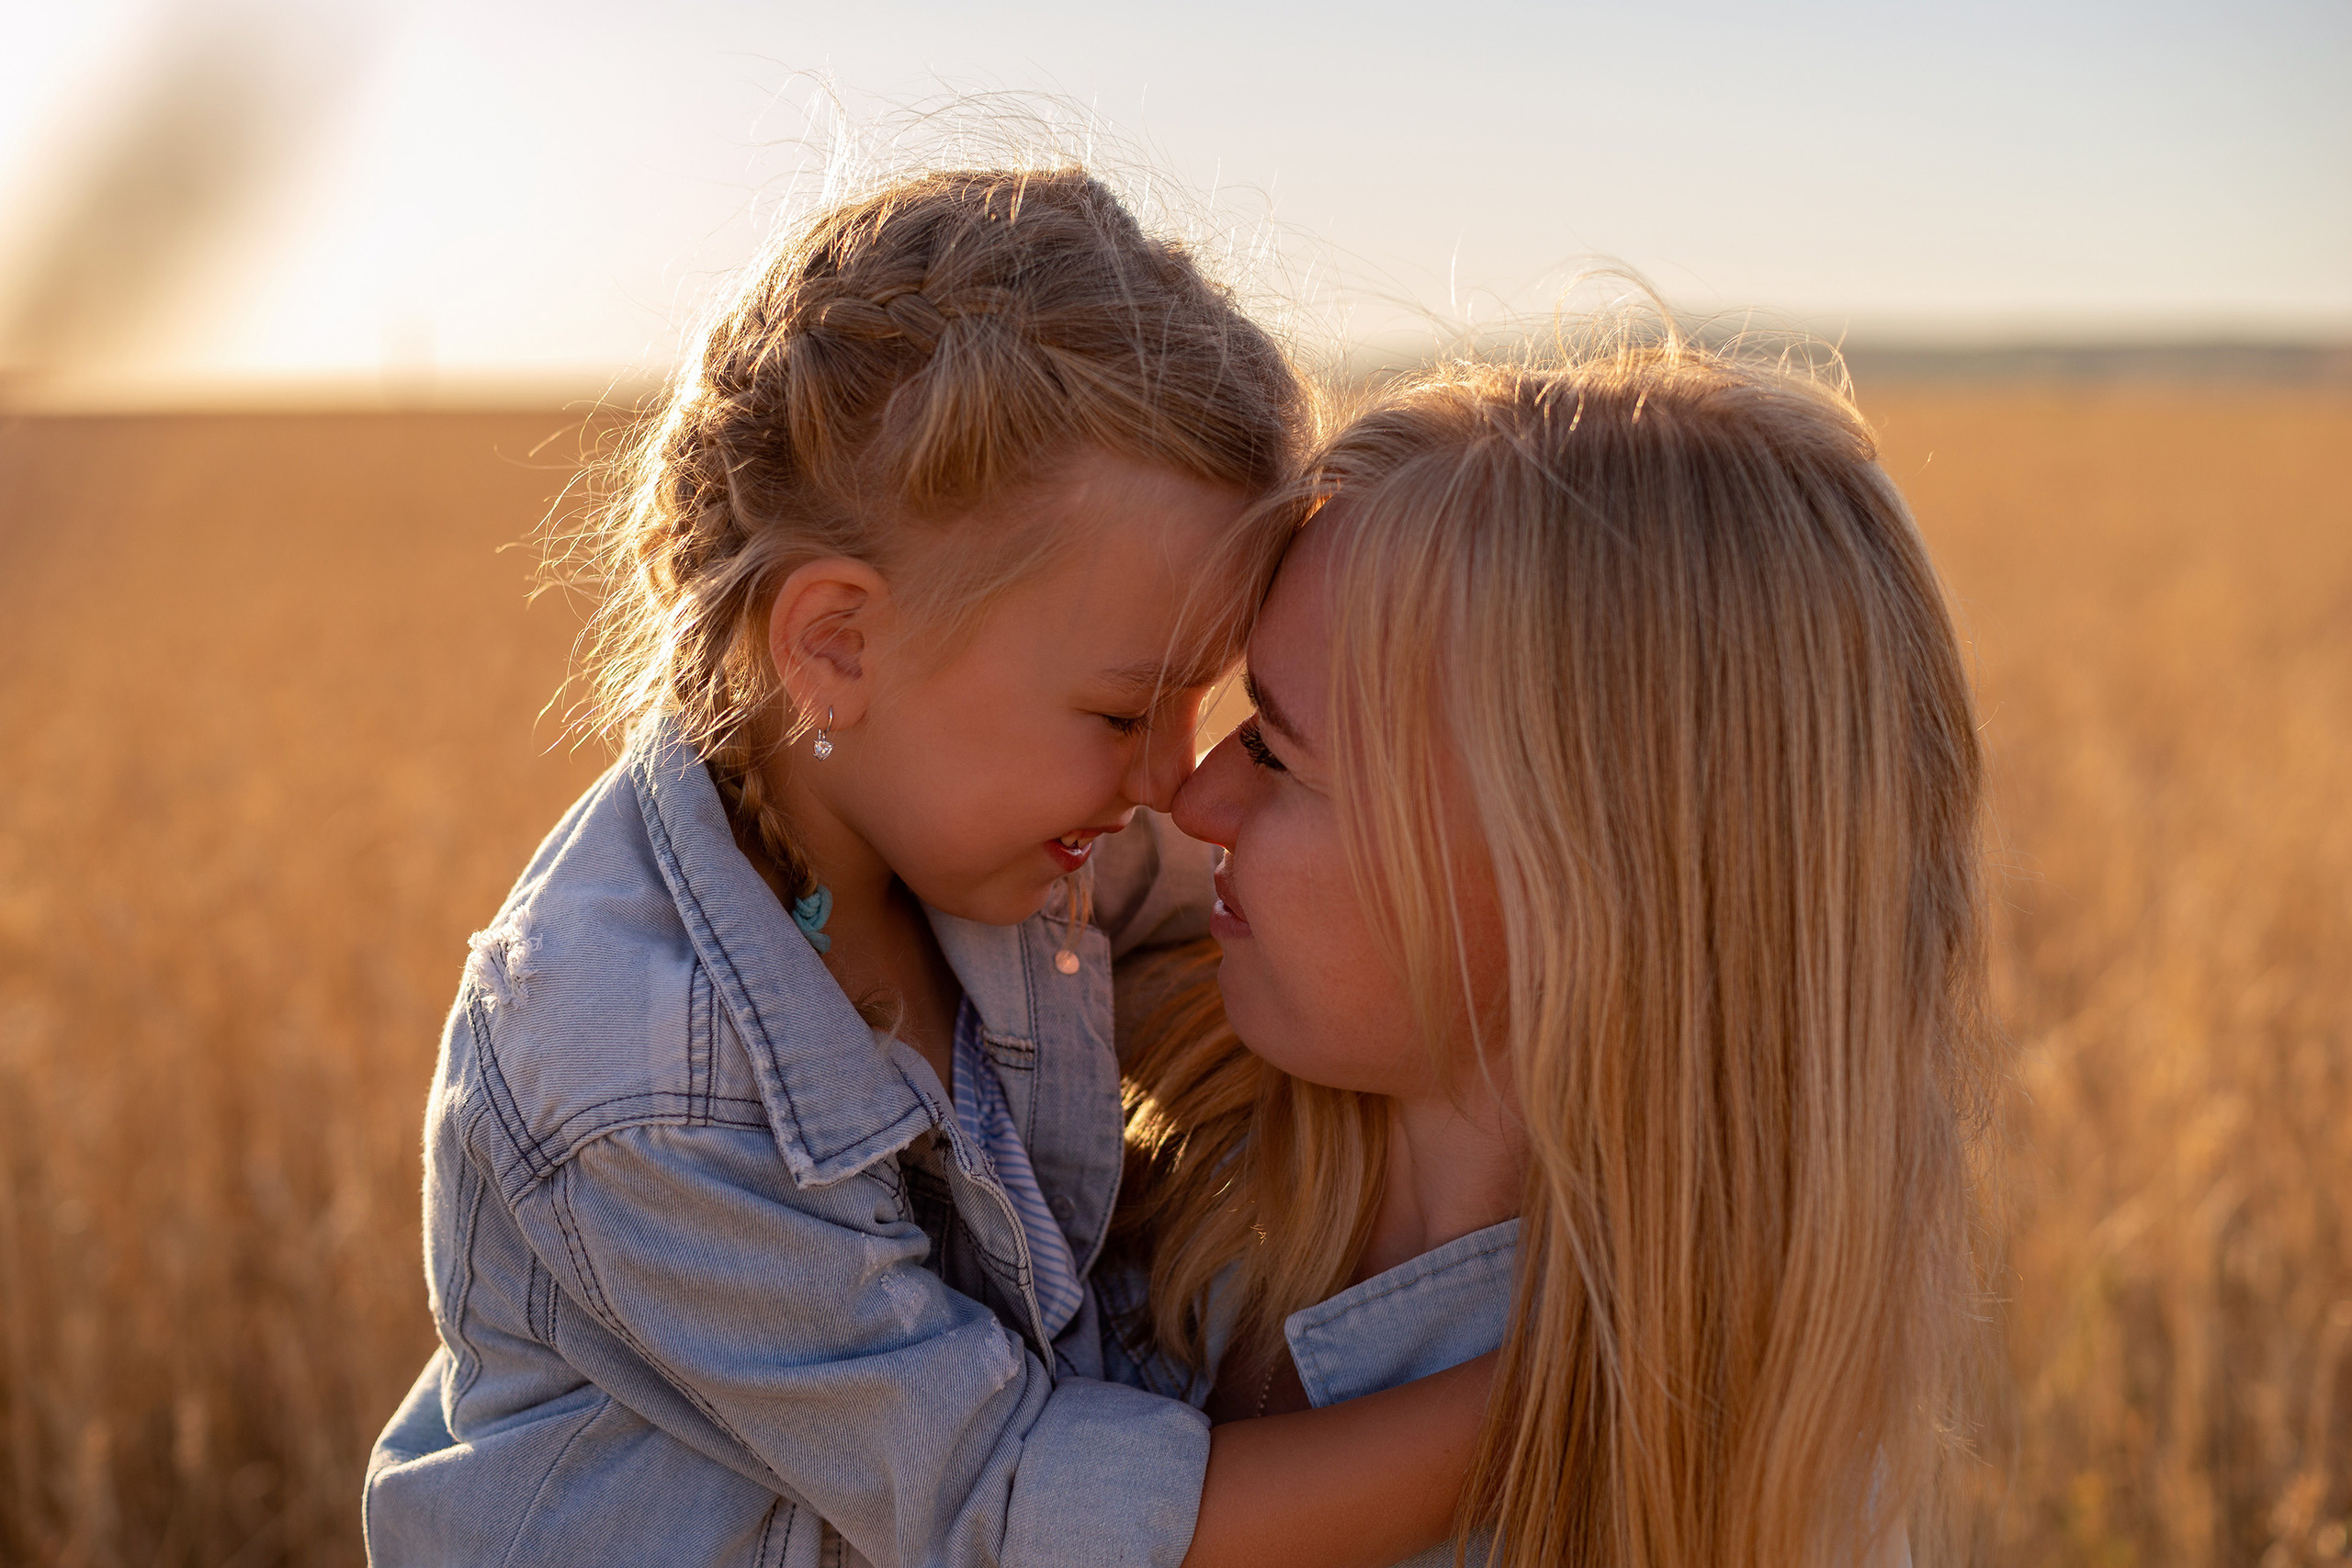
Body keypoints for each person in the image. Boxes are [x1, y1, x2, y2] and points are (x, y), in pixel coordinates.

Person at [364, 164, 1493, 1568]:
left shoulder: (1000, 825)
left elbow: (1232, 969)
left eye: (1207, 707)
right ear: (835, 647)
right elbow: (1005, 1508)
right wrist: (1539, 1396)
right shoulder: (640, 1078)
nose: (1173, 782)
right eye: (1120, 710)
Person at [1114, 338, 1995, 1567]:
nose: (1192, 799)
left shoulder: (1695, 1522)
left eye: (1276, 751)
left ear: (1575, 880)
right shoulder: (1136, 1111)